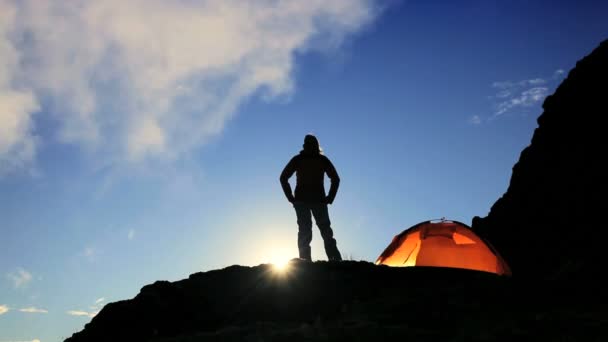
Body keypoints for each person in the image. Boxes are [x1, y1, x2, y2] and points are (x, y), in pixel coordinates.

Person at [280, 134, 342, 261]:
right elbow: (283, 178)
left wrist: (330, 197)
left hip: (314, 200)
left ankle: (331, 260)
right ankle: (311, 261)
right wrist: (290, 197)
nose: (309, 146)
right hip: (306, 201)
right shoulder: (306, 159)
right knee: (311, 230)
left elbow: (336, 179)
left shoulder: (315, 160)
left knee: (318, 230)